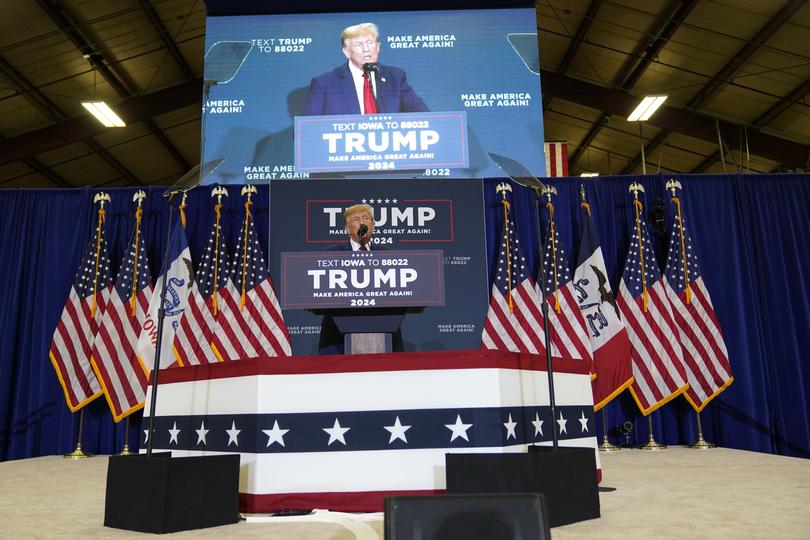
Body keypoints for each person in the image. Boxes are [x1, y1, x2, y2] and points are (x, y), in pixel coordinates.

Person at [318, 204, 403, 354]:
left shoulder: (388, 256)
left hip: (385, 328)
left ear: (373, 226)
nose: (362, 222)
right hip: (338, 334)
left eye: (366, 218)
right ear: (348, 229)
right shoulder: (331, 255)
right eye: (356, 219)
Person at [302, 22, 429, 116]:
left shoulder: (395, 77)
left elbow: (424, 115)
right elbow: (305, 130)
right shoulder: (325, 84)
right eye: (358, 44)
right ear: (346, 52)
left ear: (378, 46)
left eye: (370, 42)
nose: (366, 49)